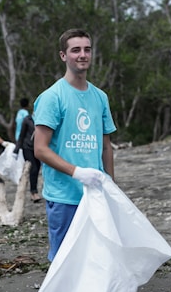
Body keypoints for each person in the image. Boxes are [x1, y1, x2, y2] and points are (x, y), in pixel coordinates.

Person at [33, 28, 116, 261]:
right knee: (65, 259)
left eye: (87, 49)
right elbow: (40, 149)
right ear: (63, 56)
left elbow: (106, 146)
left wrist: (110, 183)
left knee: (96, 256)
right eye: (75, 50)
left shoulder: (100, 97)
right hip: (64, 195)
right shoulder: (53, 96)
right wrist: (77, 172)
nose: (82, 55)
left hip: (95, 193)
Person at [13, 113, 41, 202]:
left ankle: (33, 189)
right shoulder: (27, 120)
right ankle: (34, 192)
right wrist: (16, 149)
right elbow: (22, 134)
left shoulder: (42, 117)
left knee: (37, 168)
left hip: (38, 147)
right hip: (27, 147)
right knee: (33, 168)